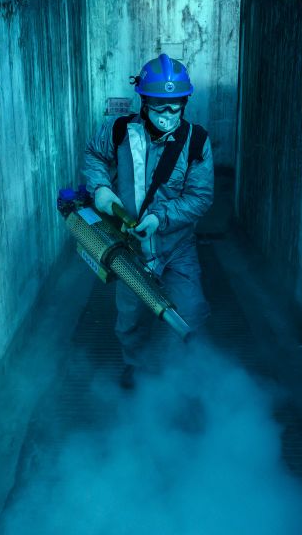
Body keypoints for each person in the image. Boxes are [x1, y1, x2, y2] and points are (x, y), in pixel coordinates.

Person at [83, 53, 214, 389]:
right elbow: (95, 155)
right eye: (159, 105)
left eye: (175, 106)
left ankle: (179, 376)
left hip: (176, 246)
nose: (167, 114)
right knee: (131, 316)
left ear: (185, 103)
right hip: (132, 248)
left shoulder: (196, 142)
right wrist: (100, 189)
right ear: (143, 101)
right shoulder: (118, 132)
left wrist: (160, 217)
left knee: (190, 311)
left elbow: (201, 197)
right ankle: (136, 366)